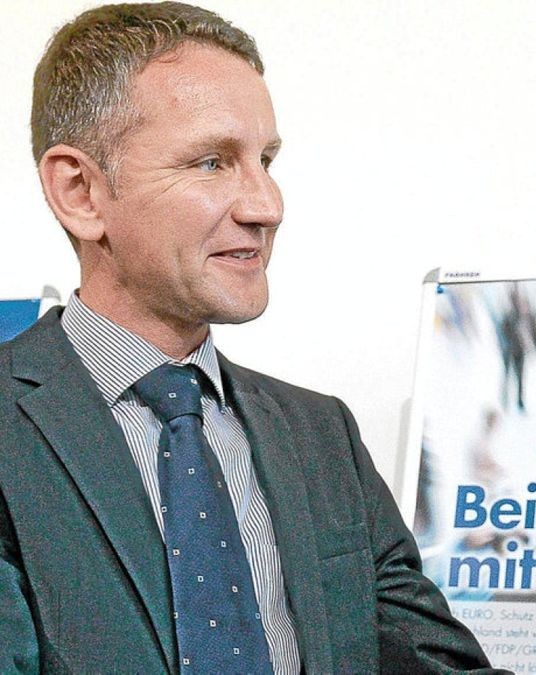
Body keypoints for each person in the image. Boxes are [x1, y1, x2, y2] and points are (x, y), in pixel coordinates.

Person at [1, 3, 503, 673]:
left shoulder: (323, 438)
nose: (266, 205)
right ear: (82, 192)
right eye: (211, 162)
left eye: (265, 159)